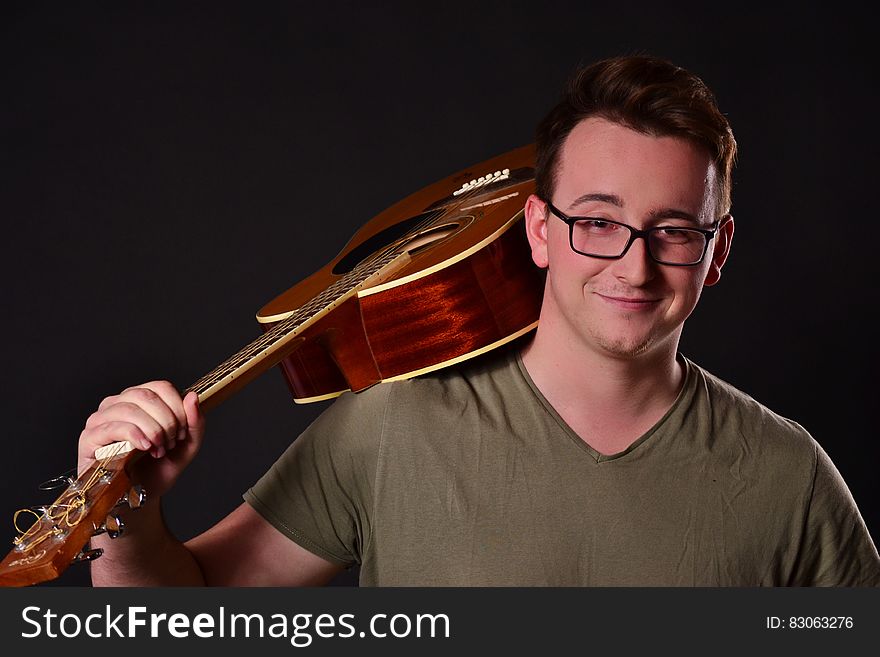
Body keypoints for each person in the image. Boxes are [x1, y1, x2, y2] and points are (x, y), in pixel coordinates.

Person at [79, 55, 880, 586]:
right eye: (597, 221)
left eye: (673, 230)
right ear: (538, 228)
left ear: (718, 248)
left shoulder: (790, 477)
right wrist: (125, 514)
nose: (633, 266)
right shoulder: (390, 424)